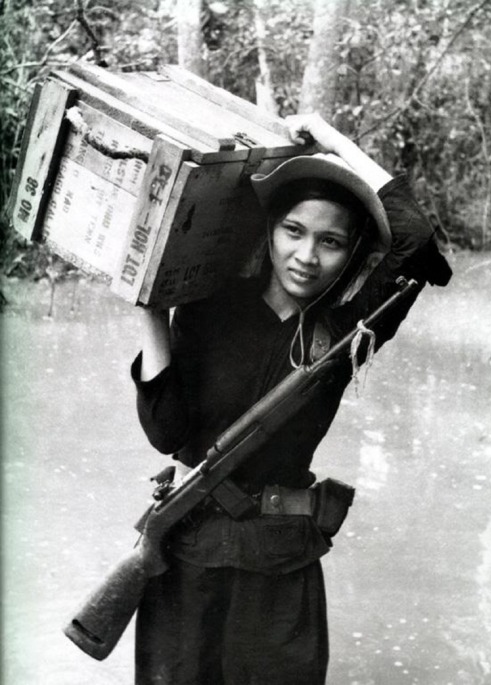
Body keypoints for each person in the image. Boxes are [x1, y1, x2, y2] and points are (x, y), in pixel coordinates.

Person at [131, 113, 451, 685]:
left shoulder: (349, 333)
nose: (308, 255)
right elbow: (166, 433)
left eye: (331, 242)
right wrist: (150, 306)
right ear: (269, 232)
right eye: (294, 231)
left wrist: (332, 141)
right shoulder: (208, 306)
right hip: (190, 554)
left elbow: (418, 242)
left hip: (281, 566)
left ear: (351, 254)